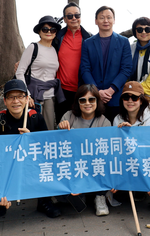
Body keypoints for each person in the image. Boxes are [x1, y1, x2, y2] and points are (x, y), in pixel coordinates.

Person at [0, 79, 61, 218]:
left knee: (45, 165)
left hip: (31, 164)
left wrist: (31, 139)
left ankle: (44, 200)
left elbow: (46, 148)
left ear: (27, 99)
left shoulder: (35, 118)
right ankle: (0, 200)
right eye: (11, 97)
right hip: (7, 167)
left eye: (20, 96)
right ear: (5, 101)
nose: (16, 101)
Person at [58, 84, 112, 216]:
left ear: (97, 101)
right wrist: (60, 128)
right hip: (74, 165)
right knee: (65, 198)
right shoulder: (68, 117)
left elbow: (107, 153)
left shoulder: (104, 122)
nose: (87, 103)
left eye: (91, 99)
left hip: (95, 166)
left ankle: (100, 197)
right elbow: (58, 147)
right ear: (77, 102)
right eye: (82, 100)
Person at [112, 81, 150, 212]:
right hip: (129, 157)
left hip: (149, 155)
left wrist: (132, 134)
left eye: (134, 97)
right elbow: (117, 148)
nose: (130, 101)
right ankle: (136, 190)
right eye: (126, 97)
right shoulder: (118, 119)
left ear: (141, 100)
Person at [80, 6, 132, 122]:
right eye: (102, 18)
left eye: (109, 17)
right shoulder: (87, 43)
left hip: (115, 97)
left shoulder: (123, 42)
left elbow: (126, 69)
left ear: (114, 20)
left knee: (116, 133)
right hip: (93, 99)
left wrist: (111, 90)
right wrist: (97, 91)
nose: (106, 21)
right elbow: (85, 69)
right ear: (96, 21)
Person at [16, 15, 63, 131]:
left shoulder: (55, 50)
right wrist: (26, 95)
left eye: (52, 30)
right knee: (31, 128)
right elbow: (20, 72)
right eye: (45, 29)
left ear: (56, 33)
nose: (49, 32)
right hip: (33, 95)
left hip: (50, 96)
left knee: (49, 129)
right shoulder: (33, 47)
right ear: (39, 32)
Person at [53, 2, 92, 123]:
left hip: (82, 89)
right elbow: (42, 50)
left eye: (77, 15)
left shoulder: (89, 38)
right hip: (62, 91)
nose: (74, 18)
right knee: (62, 124)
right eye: (69, 16)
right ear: (64, 19)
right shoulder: (57, 37)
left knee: (81, 125)